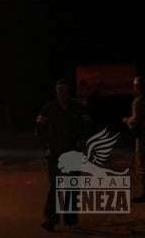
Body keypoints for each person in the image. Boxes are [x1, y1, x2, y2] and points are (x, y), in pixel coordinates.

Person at [36, 78, 94, 231]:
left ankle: (71, 221)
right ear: (56, 91)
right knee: (55, 187)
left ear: (69, 91)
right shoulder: (48, 108)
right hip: (55, 154)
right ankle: (50, 219)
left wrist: (84, 147)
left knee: (71, 188)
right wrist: (46, 146)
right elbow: (39, 129)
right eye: (58, 90)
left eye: (64, 90)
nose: (61, 93)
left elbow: (86, 129)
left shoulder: (78, 108)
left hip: (73, 154)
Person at [124, 76, 144, 203]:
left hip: (142, 137)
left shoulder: (138, 101)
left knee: (142, 165)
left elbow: (135, 120)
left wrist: (126, 120)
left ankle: (144, 192)